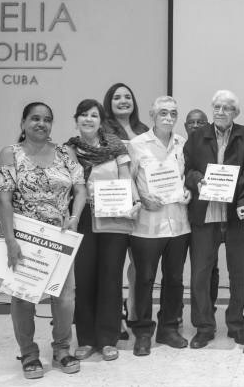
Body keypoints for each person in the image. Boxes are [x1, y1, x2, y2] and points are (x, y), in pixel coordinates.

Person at [0, 102, 87, 379]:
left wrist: (75, 217)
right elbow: (2, 199)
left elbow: (80, 189)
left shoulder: (65, 153)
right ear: (23, 123)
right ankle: (29, 354)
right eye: (35, 118)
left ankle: (62, 349)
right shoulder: (10, 153)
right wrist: (11, 241)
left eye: (47, 119)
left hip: (60, 237)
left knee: (65, 298)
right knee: (23, 298)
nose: (41, 123)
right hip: (25, 238)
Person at [184, 90, 244, 349]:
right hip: (204, 214)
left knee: (239, 274)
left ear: (235, 113)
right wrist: (198, 180)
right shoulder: (197, 137)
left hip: (236, 216)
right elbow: (187, 169)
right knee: (200, 275)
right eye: (217, 107)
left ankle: (237, 325)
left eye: (227, 108)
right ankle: (204, 327)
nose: (220, 112)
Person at [66, 100, 134, 362]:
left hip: (114, 216)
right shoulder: (69, 149)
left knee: (111, 276)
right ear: (76, 120)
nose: (88, 119)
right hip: (82, 217)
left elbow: (126, 178)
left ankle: (107, 339)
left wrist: (131, 203)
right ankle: (85, 339)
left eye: (94, 115)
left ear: (101, 121)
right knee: (84, 278)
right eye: (83, 114)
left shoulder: (116, 147)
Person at [129, 96, 192, 355]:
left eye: (173, 113)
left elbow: (186, 177)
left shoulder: (183, 143)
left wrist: (188, 191)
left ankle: (169, 328)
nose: (168, 117)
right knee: (145, 279)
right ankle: (143, 332)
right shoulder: (137, 144)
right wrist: (141, 198)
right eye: (163, 113)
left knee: (174, 279)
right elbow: (128, 179)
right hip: (147, 224)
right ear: (152, 116)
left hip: (178, 223)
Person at [102, 82, 149, 334]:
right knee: (114, 266)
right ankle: (115, 318)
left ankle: (133, 309)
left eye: (127, 97)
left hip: (144, 206)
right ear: (109, 103)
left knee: (139, 265)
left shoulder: (145, 130)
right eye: (117, 97)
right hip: (116, 205)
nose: (123, 101)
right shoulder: (102, 130)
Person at [184, 109, 221, 313]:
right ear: (185, 126)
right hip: (184, 217)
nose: (196, 126)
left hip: (212, 216)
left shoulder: (214, 147)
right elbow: (186, 172)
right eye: (192, 122)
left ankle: (209, 309)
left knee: (210, 267)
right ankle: (196, 316)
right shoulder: (180, 145)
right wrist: (196, 179)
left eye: (201, 122)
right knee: (196, 270)